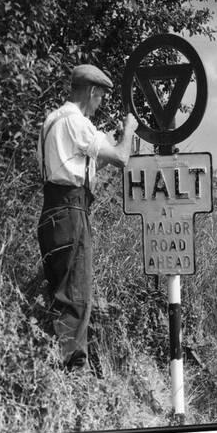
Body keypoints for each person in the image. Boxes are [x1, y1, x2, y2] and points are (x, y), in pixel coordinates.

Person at [37, 64, 138, 370]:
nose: (99, 106)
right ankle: (72, 375)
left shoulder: (52, 120)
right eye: (100, 98)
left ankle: (52, 364)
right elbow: (121, 158)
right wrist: (129, 131)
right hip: (72, 212)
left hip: (52, 211)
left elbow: (77, 170)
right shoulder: (76, 122)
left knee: (60, 293)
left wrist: (103, 146)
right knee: (77, 298)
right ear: (92, 91)